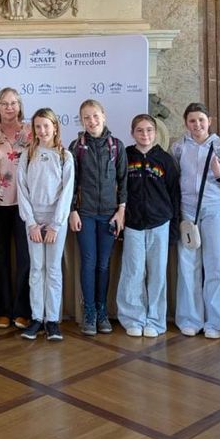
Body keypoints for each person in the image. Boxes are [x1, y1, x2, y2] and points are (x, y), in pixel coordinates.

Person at [172, 102, 220, 339]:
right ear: (186, 123)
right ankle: (190, 319)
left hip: (215, 211)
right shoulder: (178, 148)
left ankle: (215, 322)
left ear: (209, 121)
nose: (197, 125)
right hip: (187, 212)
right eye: (192, 121)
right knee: (188, 266)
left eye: (201, 120)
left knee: (214, 266)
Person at [117, 114, 180, 339]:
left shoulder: (165, 160)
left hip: (160, 224)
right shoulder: (125, 157)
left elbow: (175, 196)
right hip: (133, 224)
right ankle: (133, 318)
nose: (145, 134)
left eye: (149, 130)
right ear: (132, 133)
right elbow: (118, 190)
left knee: (157, 274)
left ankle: (155, 320)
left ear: (156, 133)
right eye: (140, 130)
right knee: (133, 272)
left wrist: (173, 229)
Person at [69, 99, 128, 336]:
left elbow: (123, 181)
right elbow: (71, 182)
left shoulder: (117, 146)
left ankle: (102, 311)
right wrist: (72, 210)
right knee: (89, 262)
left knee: (103, 264)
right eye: (86, 117)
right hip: (85, 214)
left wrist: (121, 211)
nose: (91, 121)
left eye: (95, 116)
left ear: (103, 116)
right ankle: (90, 312)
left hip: (109, 215)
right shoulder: (77, 146)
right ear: (81, 121)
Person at [16, 108, 74, 342]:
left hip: (55, 223)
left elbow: (66, 193)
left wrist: (55, 225)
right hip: (33, 221)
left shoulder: (65, 156)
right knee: (36, 268)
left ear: (55, 127)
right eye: (38, 126)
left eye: (46, 126)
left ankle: (52, 320)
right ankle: (36, 318)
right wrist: (31, 223)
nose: (42, 131)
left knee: (53, 269)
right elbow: (22, 189)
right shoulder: (28, 154)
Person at [0, 87, 32, 329]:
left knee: (25, 258)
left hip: (25, 203)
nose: (9, 107)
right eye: (4, 103)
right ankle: (2, 310)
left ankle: (22, 310)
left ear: (20, 106)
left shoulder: (32, 131)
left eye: (13, 103)